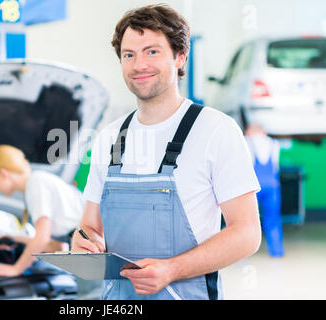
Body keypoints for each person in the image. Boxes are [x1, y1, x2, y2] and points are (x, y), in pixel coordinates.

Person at [71, 4, 262, 300]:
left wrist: (172, 269)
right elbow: (90, 226)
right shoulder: (109, 138)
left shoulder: (215, 130)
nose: (139, 65)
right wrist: (83, 242)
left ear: (180, 56)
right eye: (128, 55)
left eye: (152, 52)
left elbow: (247, 233)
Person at [0, 144, 84, 277]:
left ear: (4, 173)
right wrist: (16, 239)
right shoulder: (38, 181)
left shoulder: (36, 184)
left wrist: (15, 269)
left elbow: (42, 239)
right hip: (86, 251)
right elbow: (55, 248)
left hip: (91, 251)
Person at [245, 124, 285, 257]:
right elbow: (275, 166)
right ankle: (277, 252)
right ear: (264, 131)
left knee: (247, 221)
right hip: (272, 186)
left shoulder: (246, 141)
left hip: (253, 187)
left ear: (249, 131)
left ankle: (244, 252)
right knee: (273, 219)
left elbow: (245, 166)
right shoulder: (274, 143)